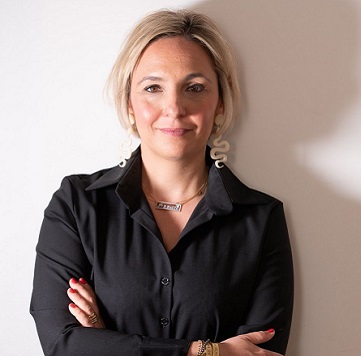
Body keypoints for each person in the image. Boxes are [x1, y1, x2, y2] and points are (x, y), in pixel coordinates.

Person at [30, 9, 294, 356]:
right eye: (153, 88)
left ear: (220, 103)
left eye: (194, 87)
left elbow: (261, 353)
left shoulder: (261, 218)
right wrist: (206, 351)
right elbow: (61, 344)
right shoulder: (77, 206)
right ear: (129, 103)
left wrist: (105, 340)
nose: (174, 107)